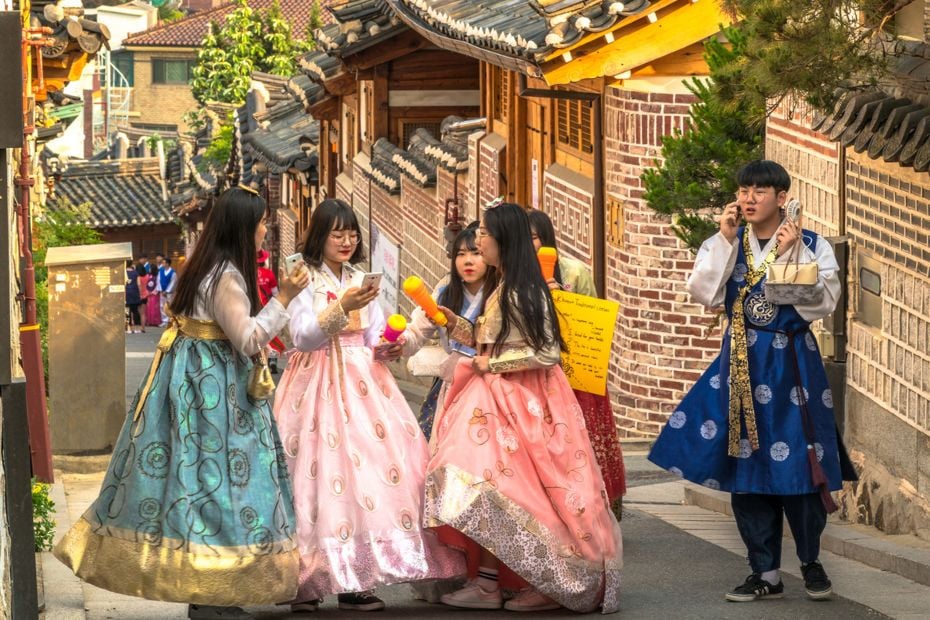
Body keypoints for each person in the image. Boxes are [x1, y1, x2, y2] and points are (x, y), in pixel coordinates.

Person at [54, 186, 311, 620]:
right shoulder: (227, 275)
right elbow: (247, 337)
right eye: (262, 222)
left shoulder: (204, 266)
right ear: (243, 227)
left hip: (191, 385)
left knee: (192, 483)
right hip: (215, 395)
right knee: (222, 483)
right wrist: (284, 297)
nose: (266, 229)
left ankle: (206, 591)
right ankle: (215, 590)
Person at [648, 160, 852, 603]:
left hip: (792, 364)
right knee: (748, 468)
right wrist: (722, 239)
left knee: (801, 465)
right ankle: (765, 571)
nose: (749, 198)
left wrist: (791, 255)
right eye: (744, 190)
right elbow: (704, 294)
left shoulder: (811, 245)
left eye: (760, 191)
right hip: (739, 363)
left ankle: (811, 562)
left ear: (782, 197)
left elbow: (816, 306)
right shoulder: (725, 242)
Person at [271, 199, 464, 614]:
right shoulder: (302, 278)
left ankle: (357, 579)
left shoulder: (362, 278)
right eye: (336, 233)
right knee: (314, 479)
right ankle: (305, 582)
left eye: (351, 233)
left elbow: (378, 334)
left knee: (373, 477)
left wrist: (396, 343)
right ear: (318, 236)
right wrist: (343, 307)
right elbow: (302, 337)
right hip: (314, 382)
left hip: (365, 382)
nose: (346, 241)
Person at [428, 201, 622, 613]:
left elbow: (546, 352)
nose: (477, 240)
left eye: (483, 233)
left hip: (526, 403)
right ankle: (489, 582)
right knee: (493, 488)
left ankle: (552, 579)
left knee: (527, 492)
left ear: (503, 239)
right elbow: (491, 336)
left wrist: (491, 364)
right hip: (497, 399)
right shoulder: (506, 285)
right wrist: (454, 324)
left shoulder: (524, 289)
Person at [526, 209, 627, 512]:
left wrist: (562, 302)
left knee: (583, 442)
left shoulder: (574, 272)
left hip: (575, 373)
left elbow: (592, 324)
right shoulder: (511, 275)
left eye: (533, 237)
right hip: (533, 372)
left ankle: (595, 507)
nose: (528, 244)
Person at [402, 222, 491, 439]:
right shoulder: (445, 291)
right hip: (453, 381)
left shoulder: (500, 292)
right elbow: (417, 330)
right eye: (460, 254)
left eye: (476, 253)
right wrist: (398, 342)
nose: (468, 261)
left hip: (490, 379)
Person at [256, 249, 283, 374]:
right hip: (267, 307)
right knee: (270, 334)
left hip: (253, 308)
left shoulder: (248, 273)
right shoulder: (269, 273)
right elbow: (275, 293)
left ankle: (259, 361)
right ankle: (271, 358)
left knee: (256, 335)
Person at [157, 257, 178, 327]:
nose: (162, 264)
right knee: (162, 306)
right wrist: (161, 290)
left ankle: (170, 320)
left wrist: (167, 291)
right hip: (162, 291)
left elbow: (173, 282)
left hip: (169, 293)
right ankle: (164, 321)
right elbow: (158, 281)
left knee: (169, 306)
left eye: (164, 262)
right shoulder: (161, 271)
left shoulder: (173, 272)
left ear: (167, 264)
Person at [124, 260, 143, 334]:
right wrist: (140, 294)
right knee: (135, 311)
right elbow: (139, 284)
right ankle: (136, 329)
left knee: (127, 312)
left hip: (126, 294)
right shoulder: (136, 272)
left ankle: (129, 328)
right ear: (131, 264)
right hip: (135, 293)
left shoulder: (124, 272)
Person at [135, 263, 149, 333]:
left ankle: (137, 327)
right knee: (143, 313)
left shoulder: (138, 277)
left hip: (139, 296)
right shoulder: (147, 276)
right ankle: (143, 328)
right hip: (145, 295)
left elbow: (138, 286)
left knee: (139, 312)